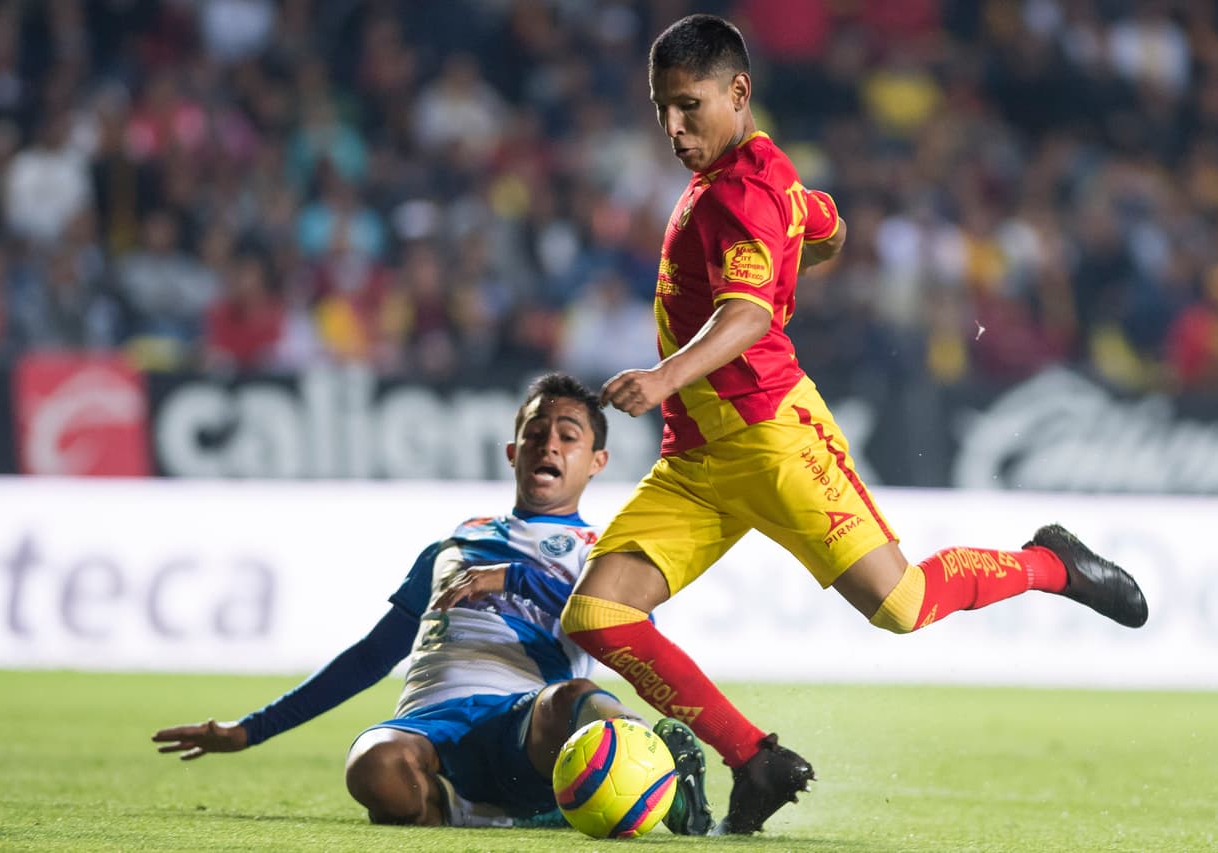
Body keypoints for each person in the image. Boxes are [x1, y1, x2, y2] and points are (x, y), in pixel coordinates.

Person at [558, 14, 1149, 837]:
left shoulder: (741, 190)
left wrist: (662, 375)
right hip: (699, 456)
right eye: (662, 109)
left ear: (740, 92)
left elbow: (747, 316)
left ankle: (1053, 563)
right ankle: (754, 760)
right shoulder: (762, 176)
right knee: (596, 615)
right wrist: (802, 235)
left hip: (773, 439)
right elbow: (826, 227)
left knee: (902, 605)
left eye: (689, 106)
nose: (674, 128)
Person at [153, 372, 714, 835]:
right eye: (537, 432)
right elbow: (372, 657)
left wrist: (514, 579)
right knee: (372, 766)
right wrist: (250, 729)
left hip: (526, 722)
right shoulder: (453, 545)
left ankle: (665, 778)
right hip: (429, 726)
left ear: (597, 461)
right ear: (513, 452)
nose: (550, 445)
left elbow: (628, 631)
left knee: (576, 696)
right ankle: (493, 813)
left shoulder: (603, 554)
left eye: (568, 436)